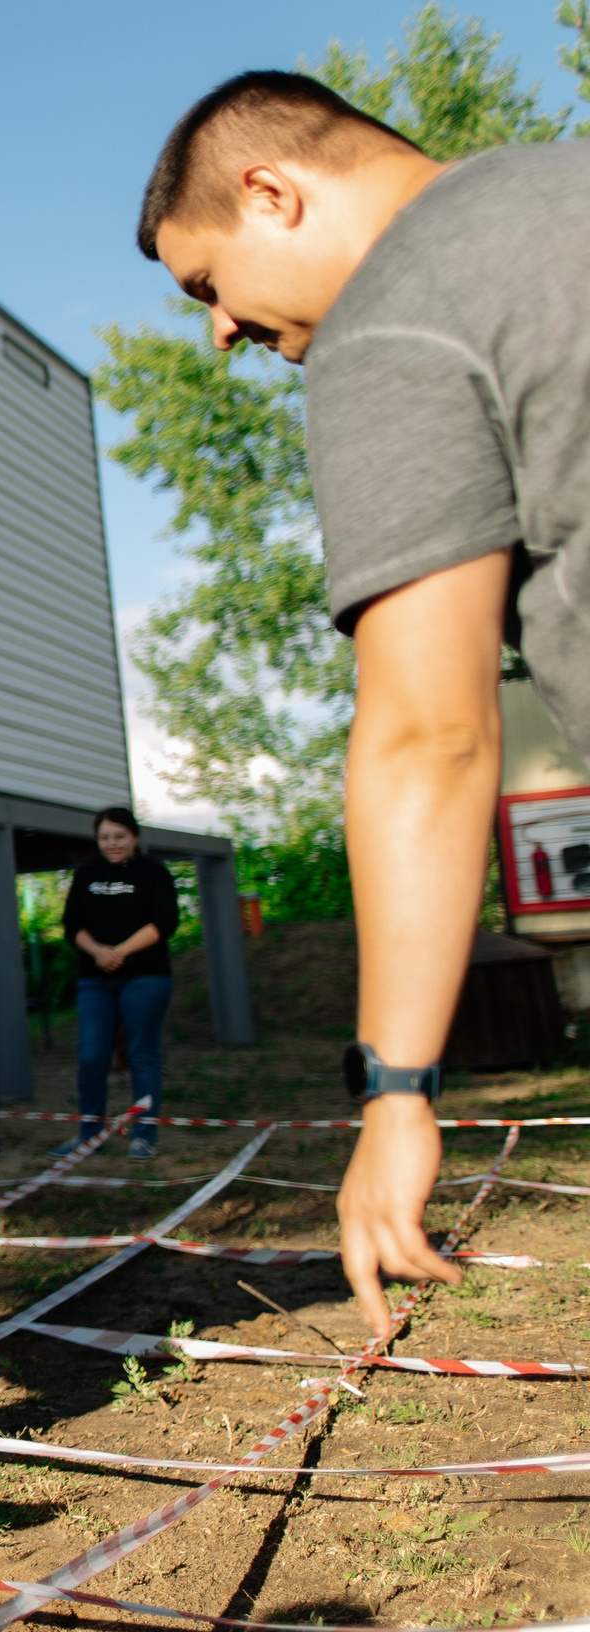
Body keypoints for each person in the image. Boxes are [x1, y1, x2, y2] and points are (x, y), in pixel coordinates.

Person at [134, 71, 575, 1332]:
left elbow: (430, 731)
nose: (216, 332)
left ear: (273, 194)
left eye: (205, 285)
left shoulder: (397, 310)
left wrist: (394, 1089)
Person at [60, 808, 179, 1162]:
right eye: (105, 837)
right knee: (91, 1057)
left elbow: (164, 922)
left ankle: (143, 1136)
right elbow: (71, 925)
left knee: (142, 1056)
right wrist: (97, 952)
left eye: (119, 836)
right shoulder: (86, 875)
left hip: (145, 977)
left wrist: (120, 952)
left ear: (135, 837)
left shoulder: (154, 873)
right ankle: (90, 1135)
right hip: (95, 981)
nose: (112, 844)